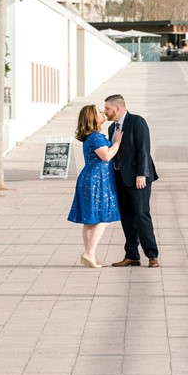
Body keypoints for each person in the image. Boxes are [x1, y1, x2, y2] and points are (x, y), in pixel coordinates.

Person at [104, 93, 159, 268]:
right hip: (120, 179)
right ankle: (131, 255)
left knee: (141, 215)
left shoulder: (137, 121)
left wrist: (141, 174)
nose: (105, 112)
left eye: (107, 108)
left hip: (138, 179)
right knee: (127, 217)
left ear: (117, 108)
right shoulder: (112, 129)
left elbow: (144, 149)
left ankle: (152, 256)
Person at [67, 104, 122, 268]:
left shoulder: (91, 136)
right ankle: (89, 252)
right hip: (97, 181)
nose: (103, 112)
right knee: (104, 217)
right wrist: (117, 143)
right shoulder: (96, 137)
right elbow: (106, 156)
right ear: (92, 118)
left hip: (90, 178)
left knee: (90, 220)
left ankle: (90, 255)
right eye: (99, 111)